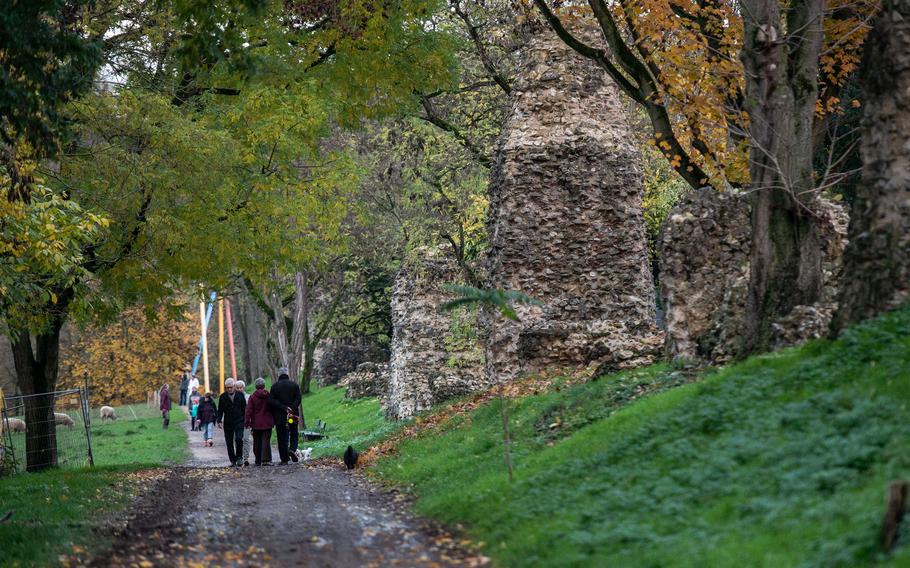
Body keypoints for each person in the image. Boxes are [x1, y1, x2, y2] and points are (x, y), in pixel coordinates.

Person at [270, 367, 302, 464]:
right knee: (293, 432)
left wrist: (283, 407)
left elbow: (271, 401)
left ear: (278, 375)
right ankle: (292, 448)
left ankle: (284, 459)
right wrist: (292, 408)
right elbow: (298, 398)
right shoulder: (294, 385)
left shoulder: (274, 387)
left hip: (280, 417)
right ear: (287, 374)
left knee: (281, 436)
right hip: (292, 416)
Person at [244, 378, 274, 466]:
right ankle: (266, 459)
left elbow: (248, 410)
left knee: (257, 441)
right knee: (266, 441)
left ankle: (258, 460)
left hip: (256, 423)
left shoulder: (252, 397)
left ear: (256, 386)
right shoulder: (268, 395)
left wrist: (246, 422)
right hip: (267, 422)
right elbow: (272, 407)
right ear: (264, 385)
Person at [217, 378, 246, 467]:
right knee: (229, 442)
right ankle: (232, 460)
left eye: (231, 387)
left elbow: (244, 408)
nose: (229, 389)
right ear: (226, 388)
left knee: (238, 439)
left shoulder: (240, 395)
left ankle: (239, 457)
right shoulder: (222, 397)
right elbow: (220, 410)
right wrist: (219, 420)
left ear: (234, 386)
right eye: (227, 388)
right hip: (228, 422)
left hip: (239, 420)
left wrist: (246, 420)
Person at [235, 380, 252, 466]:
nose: (239, 389)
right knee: (238, 439)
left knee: (245, 439)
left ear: (243, 388)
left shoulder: (248, 397)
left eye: (240, 388)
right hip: (237, 422)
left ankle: (246, 458)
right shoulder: (233, 397)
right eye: (237, 388)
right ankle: (239, 457)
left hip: (246, 421)